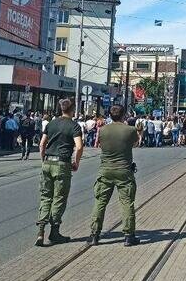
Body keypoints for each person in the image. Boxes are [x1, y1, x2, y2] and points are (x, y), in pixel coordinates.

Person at [88, 105, 140, 247]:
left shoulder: (102, 130)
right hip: (124, 170)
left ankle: (94, 235)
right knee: (127, 203)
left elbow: (98, 144)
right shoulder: (130, 130)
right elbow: (135, 143)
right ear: (124, 115)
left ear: (110, 115)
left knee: (100, 202)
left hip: (105, 170)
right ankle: (129, 236)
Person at [36, 98, 83, 247]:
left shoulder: (51, 123)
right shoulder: (74, 126)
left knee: (45, 196)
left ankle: (40, 231)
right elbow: (79, 146)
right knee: (59, 198)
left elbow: (42, 143)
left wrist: (43, 158)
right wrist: (76, 162)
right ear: (72, 109)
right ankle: (54, 232)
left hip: (47, 162)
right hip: (62, 163)